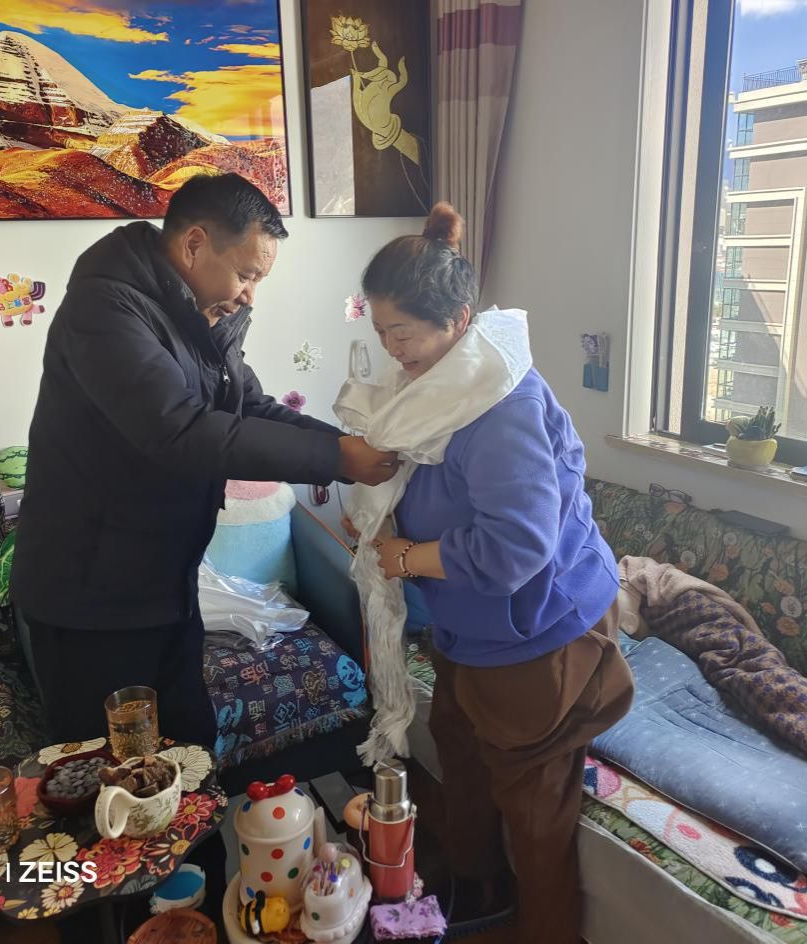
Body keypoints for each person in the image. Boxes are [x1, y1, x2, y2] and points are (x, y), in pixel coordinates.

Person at [11, 173, 399, 752]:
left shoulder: (199, 318)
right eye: (247, 275)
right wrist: (335, 457)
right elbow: (180, 430)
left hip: (164, 583)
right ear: (194, 244)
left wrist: (346, 450)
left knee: (189, 751)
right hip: (90, 602)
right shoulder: (106, 308)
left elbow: (251, 407)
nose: (250, 296)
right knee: (114, 774)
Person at [343, 204, 634, 944]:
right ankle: (476, 883)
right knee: (458, 744)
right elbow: (427, 485)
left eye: (403, 333)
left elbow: (515, 548)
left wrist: (403, 558)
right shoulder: (438, 387)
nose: (391, 349)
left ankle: (541, 926)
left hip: (540, 630)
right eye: (381, 331)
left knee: (535, 806)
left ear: (458, 321)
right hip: (468, 623)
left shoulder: (501, 407)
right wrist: (381, 524)